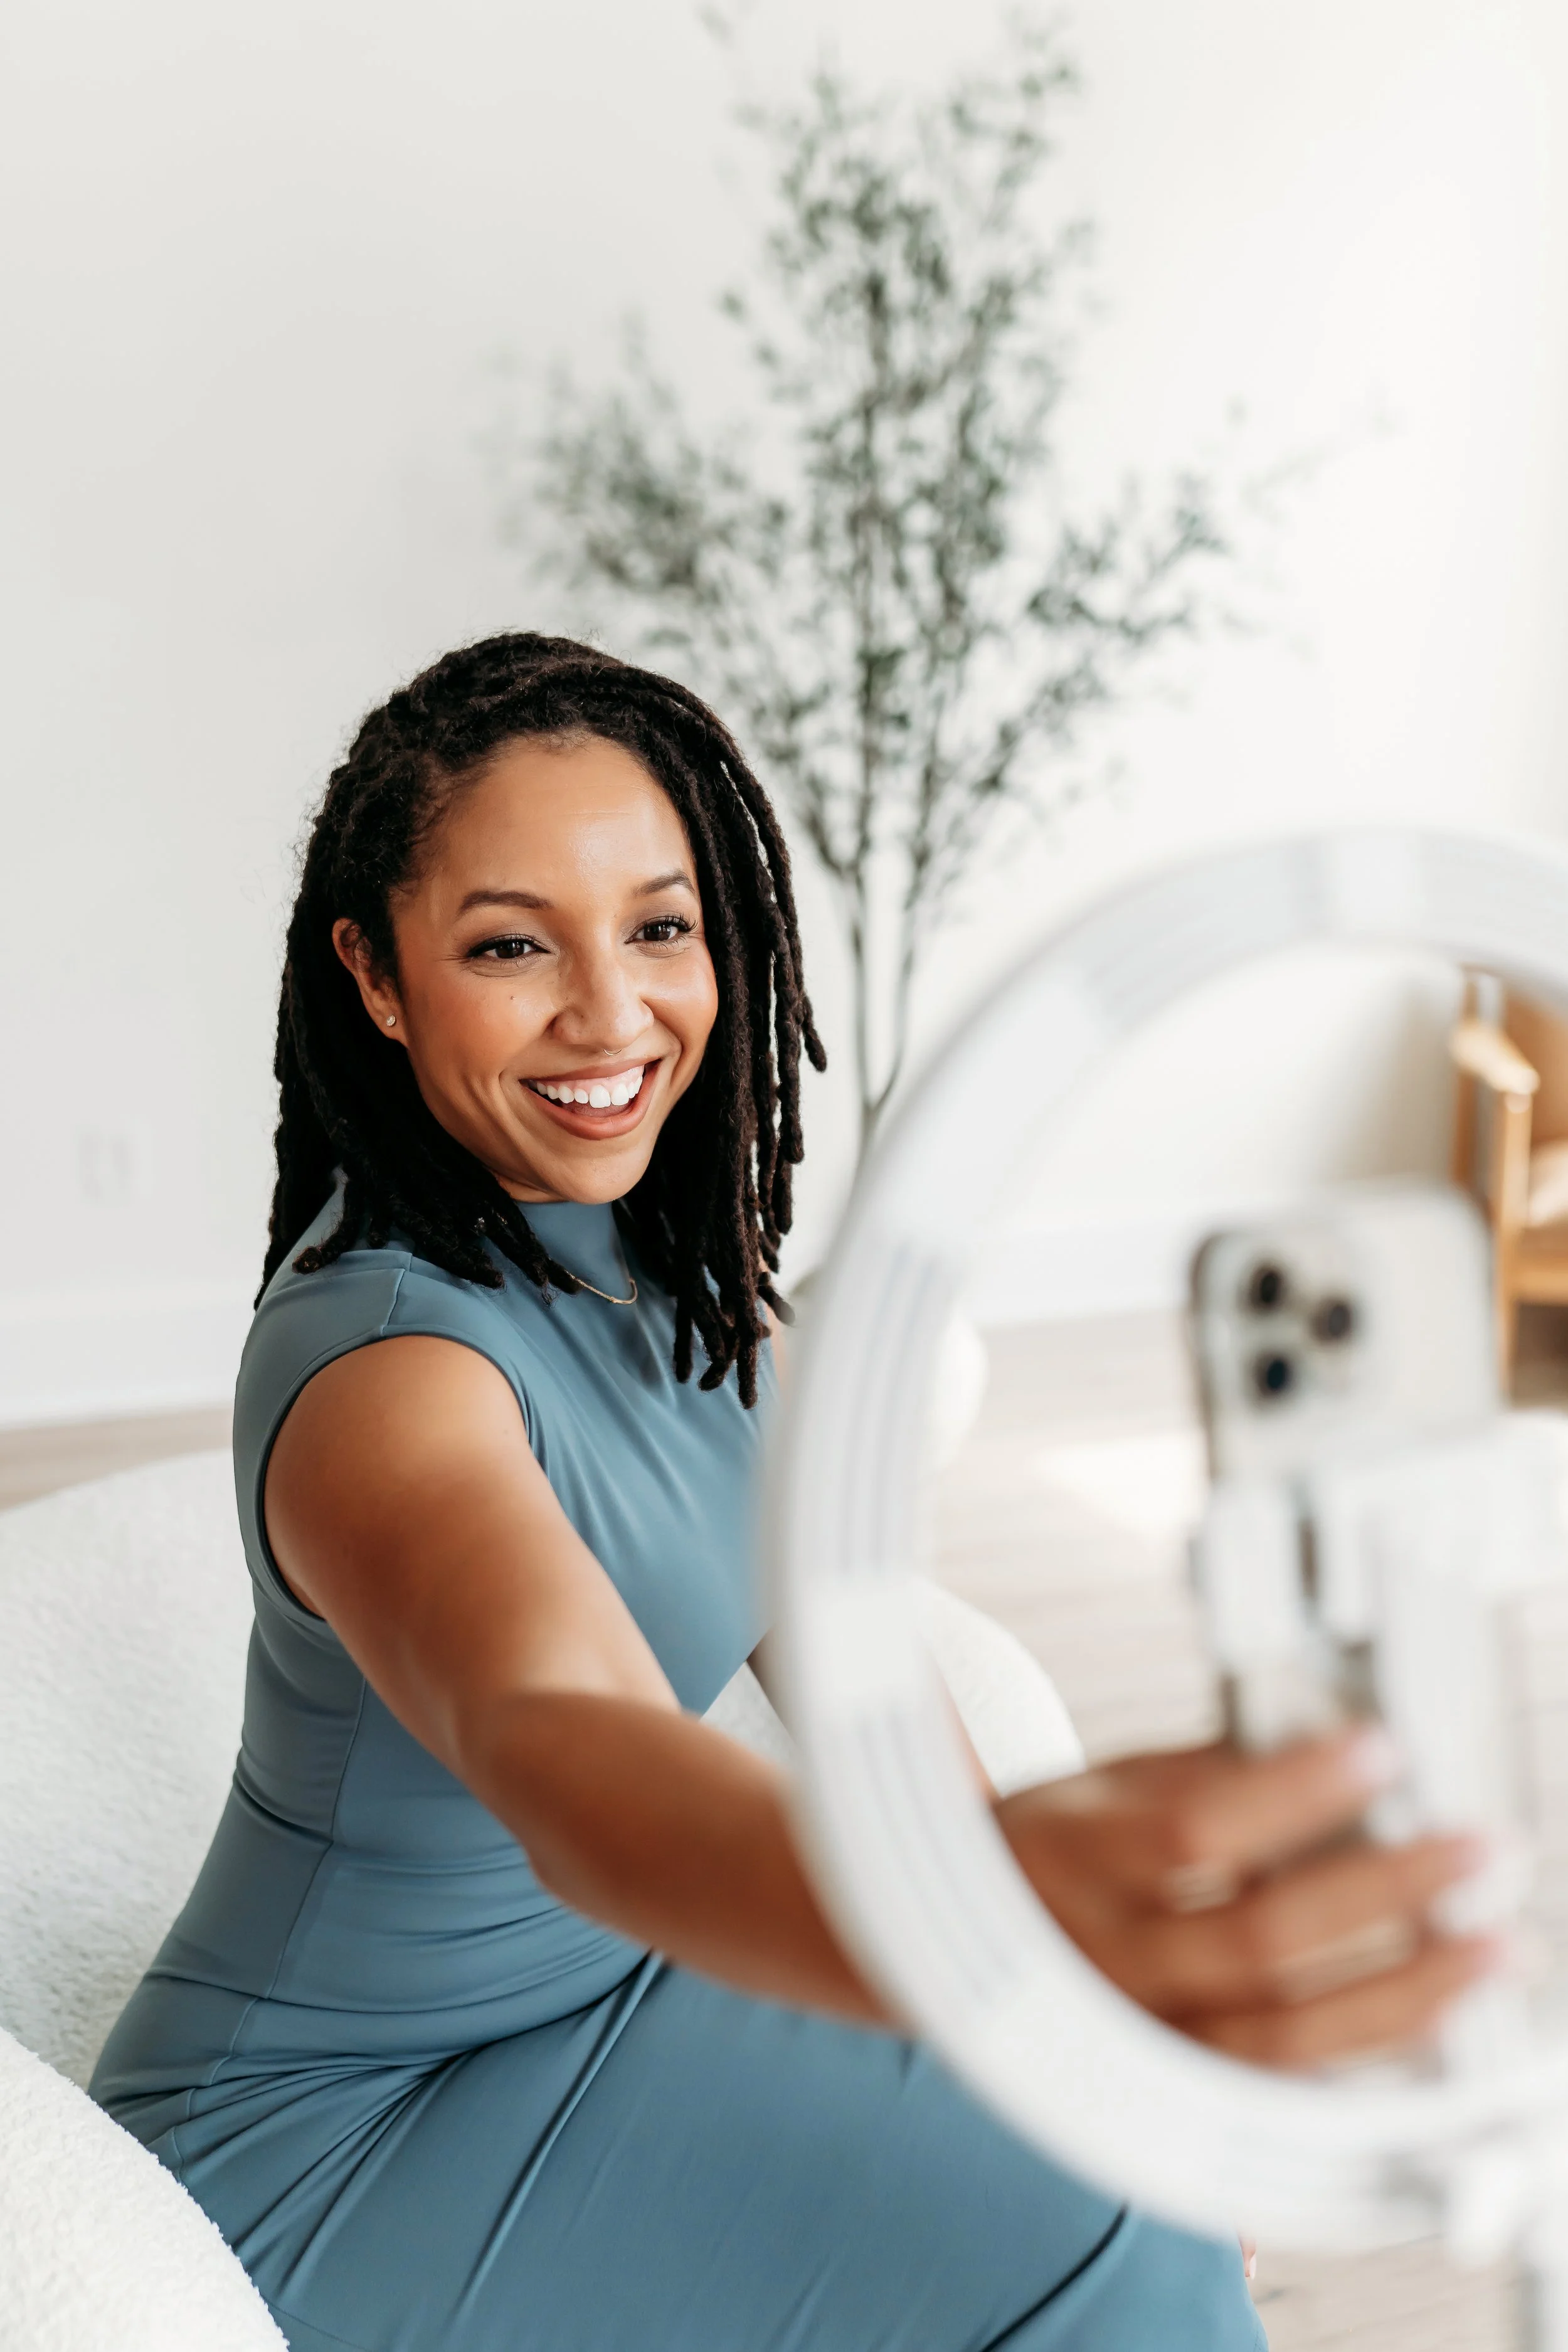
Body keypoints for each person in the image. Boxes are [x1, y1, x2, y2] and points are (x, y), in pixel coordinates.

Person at [92, 635, 1498, 2352]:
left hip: (611, 1992)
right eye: (510, 943)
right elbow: (566, 1746)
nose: (609, 1012)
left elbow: (862, 1674)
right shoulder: (387, 1375)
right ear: (375, 978)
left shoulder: (690, 1289)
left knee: (1115, 2174)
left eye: (660, 926)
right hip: (327, 2144)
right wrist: (945, 1920)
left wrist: (1039, 1969)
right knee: (1097, 2236)